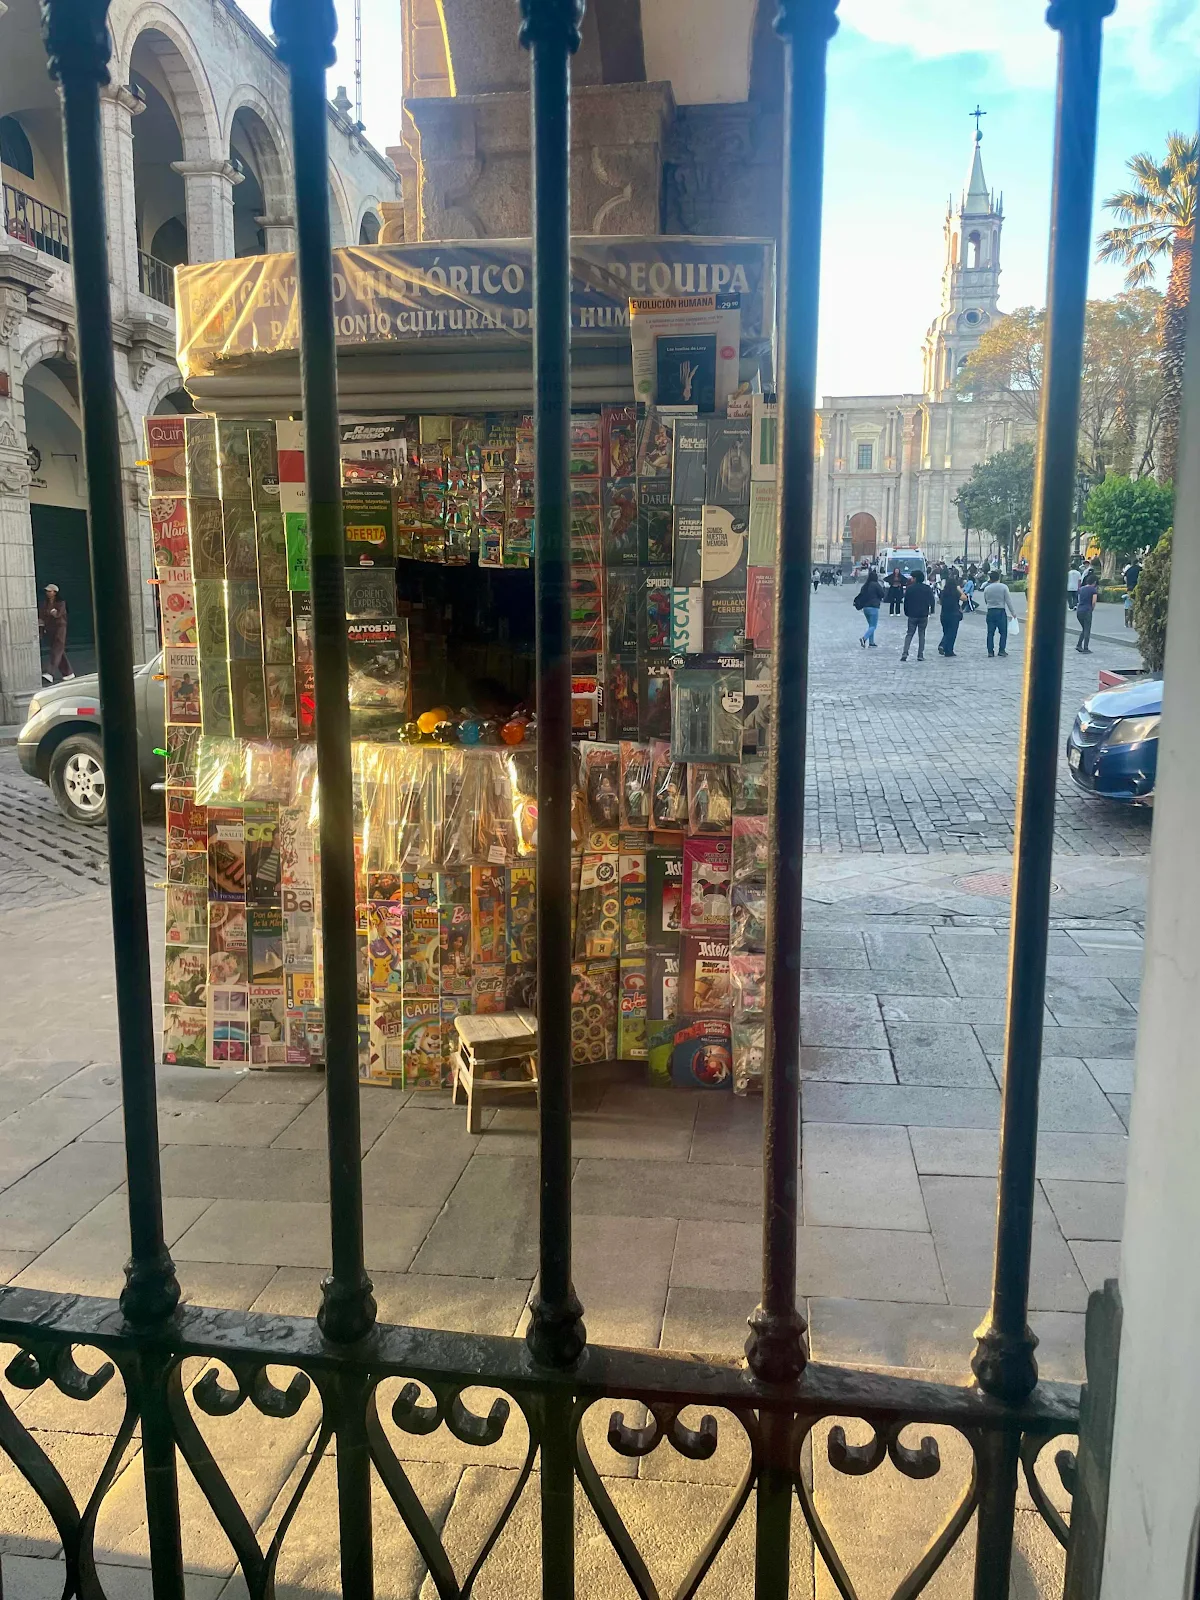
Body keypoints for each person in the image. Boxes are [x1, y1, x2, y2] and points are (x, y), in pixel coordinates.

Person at [38, 583, 74, 684]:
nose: (48, 593)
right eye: (47, 591)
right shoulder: (45, 603)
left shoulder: (61, 603)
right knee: (59, 651)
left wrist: (53, 613)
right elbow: (42, 615)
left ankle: (50, 672)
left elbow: (58, 614)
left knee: (56, 650)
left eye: (50, 591)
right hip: (50, 629)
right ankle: (68, 673)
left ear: (55, 592)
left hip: (60, 629)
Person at [900, 570, 935, 661]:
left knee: (909, 634)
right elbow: (932, 600)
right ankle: (920, 654)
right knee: (921, 635)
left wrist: (906, 612)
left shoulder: (910, 589)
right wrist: (932, 610)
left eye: (912, 577)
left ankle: (905, 653)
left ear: (915, 578)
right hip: (923, 614)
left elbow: (906, 602)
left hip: (912, 614)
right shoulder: (927, 588)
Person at [982, 568, 1017, 657]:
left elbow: (986, 600)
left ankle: (990, 651)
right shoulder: (1004, 587)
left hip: (990, 611)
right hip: (1000, 611)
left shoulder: (987, 588)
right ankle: (1001, 650)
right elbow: (1008, 601)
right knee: (1003, 632)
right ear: (999, 578)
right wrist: (1013, 612)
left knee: (990, 633)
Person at [854, 565, 885, 648]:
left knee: (871, 626)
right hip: (873, 607)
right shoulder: (876, 585)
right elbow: (882, 594)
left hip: (865, 608)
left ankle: (871, 642)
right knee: (873, 626)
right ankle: (864, 638)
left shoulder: (865, 586)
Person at [938, 568, 963, 656]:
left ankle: (944, 647)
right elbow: (964, 598)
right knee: (952, 633)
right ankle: (948, 649)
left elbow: (940, 602)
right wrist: (959, 590)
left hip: (944, 615)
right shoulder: (956, 592)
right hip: (954, 615)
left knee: (946, 632)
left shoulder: (943, 592)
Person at [1076, 568, 1099, 652]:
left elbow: (1079, 599)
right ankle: (1085, 647)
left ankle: (1079, 645)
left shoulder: (1081, 589)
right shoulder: (1093, 590)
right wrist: (1092, 609)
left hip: (1079, 610)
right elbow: (1094, 601)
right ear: (1094, 582)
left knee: (1084, 628)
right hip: (1087, 610)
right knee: (1087, 630)